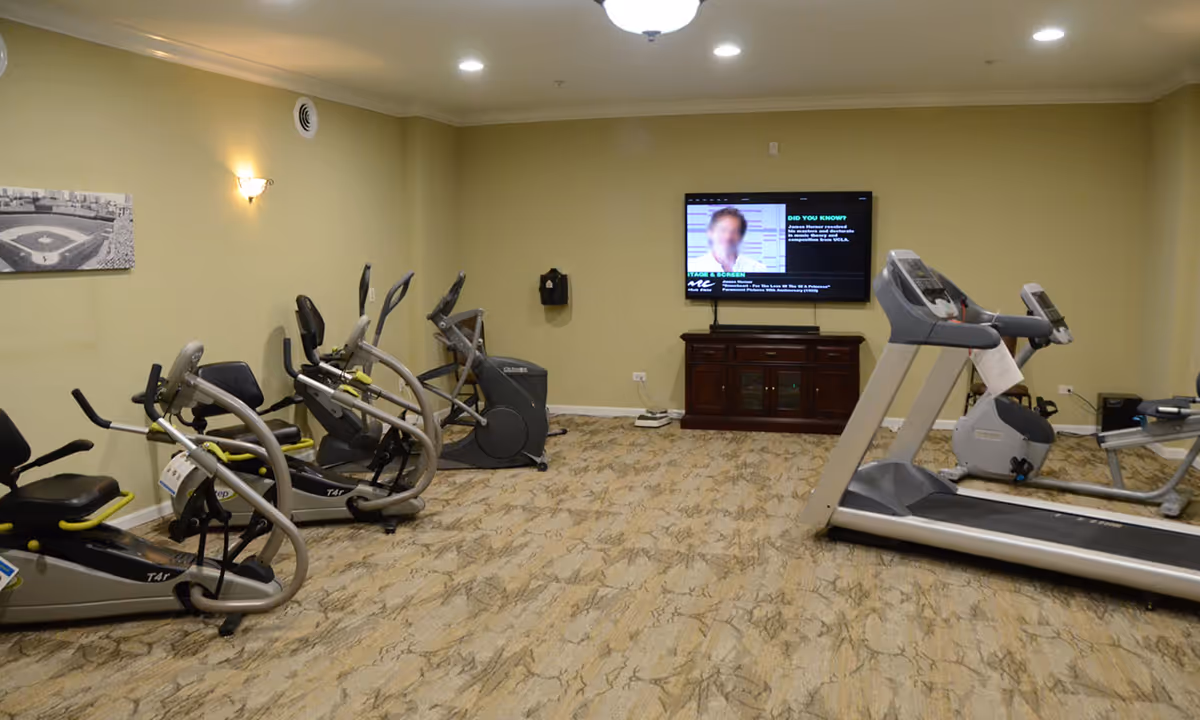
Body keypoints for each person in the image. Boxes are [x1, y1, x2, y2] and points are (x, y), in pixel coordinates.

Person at [687, 207, 767, 273]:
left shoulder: (757, 269)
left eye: (734, 231)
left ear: (741, 236)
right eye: (723, 230)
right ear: (710, 232)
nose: (728, 237)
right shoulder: (692, 267)